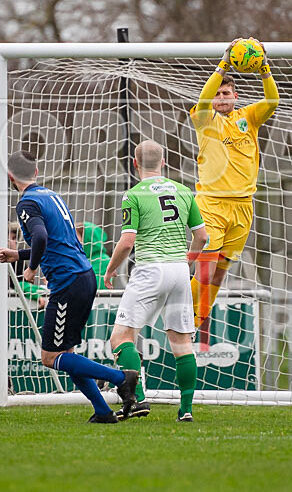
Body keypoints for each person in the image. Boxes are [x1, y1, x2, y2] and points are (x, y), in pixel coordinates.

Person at [0, 150, 138, 424]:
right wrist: (19, 255)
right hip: (83, 277)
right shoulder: (51, 196)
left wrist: (31, 267)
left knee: (50, 357)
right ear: (36, 172)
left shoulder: (26, 203)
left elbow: (40, 236)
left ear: (10, 177)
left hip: (68, 282)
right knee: (67, 354)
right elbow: (57, 241)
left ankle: (122, 378)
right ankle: (103, 411)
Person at [105, 140, 208, 423]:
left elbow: (127, 242)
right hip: (178, 270)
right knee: (182, 342)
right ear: (164, 163)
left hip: (151, 269)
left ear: (135, 164)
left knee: (121, 337)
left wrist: (111, 270)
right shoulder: (185, 191)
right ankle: (185, 409)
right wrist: (187, 263)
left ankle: (136, 398)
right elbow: (201, 237)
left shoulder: (133, 194)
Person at [189, 38, 279, 329]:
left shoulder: (249, 118)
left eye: (226, 93)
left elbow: (272, 101)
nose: (221, 98)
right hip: (212, 205)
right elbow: (203, 100)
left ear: (235, 95)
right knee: (207, 266)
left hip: (243, 207)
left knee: (219, 273)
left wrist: (264, 69)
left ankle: (198, 319)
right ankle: (184, 319)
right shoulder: (204, 119)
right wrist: (222, 66)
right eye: (218, 95)